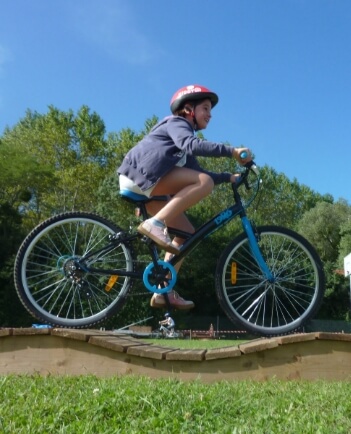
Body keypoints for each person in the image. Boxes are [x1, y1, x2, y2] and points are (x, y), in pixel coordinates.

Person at [118, 84, 252, 311]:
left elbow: (202, 174)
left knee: (186, 235)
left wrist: (229, 177)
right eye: (206, 108)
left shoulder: (183, 148)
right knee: (204, 183)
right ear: (188, 109)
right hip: (140, 177)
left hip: (149, 185)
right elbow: (191, 146)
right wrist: (231, 151)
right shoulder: (177, 124)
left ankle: (163, 290)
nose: (210, 115)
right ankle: (155, 223)